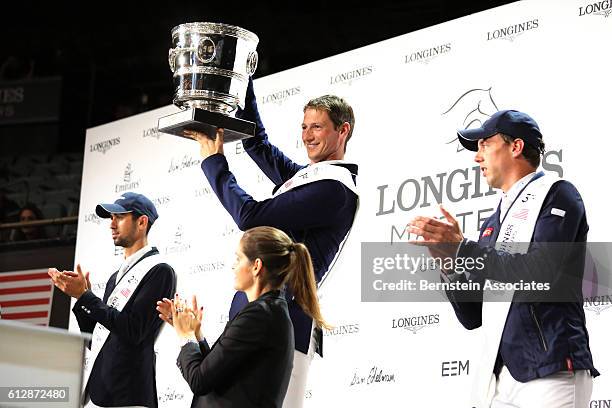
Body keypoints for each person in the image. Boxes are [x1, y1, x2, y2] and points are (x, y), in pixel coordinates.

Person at [185, 78, 358, 406]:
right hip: (258, 316)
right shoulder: (312, 179)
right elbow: (256, 144)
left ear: (343, 131)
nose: (307, 135)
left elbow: (250, 217)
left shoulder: (334, 190)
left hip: (285, 326)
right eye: (304, 126)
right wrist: (241, 80)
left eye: (317, 127)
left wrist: (213, 161)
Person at [408, 110, 598, 408]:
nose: (476, 157)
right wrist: (450, 264)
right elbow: (473, 317)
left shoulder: (558, 194)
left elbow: (540, 272)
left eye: (484, 144)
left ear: (516, 146)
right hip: (498, 378)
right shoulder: (492, 223)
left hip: (552, 370)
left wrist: (462, 248)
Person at [156, 226, 327, 407]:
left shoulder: (260, 315)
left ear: (256, 266)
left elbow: (200, 380)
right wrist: (196, 334)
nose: (233, 266)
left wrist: (185, 336)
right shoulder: (266, 311)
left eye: (238, 259)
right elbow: (219, 371)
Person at [48, 192, 176, 408]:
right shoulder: (114, 279)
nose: (112, 224)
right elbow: (97, 340)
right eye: (110, 218)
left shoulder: (160, 271)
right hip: (103, 395)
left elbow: (134, 331)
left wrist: (85, 297)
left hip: (130, 395)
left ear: (142, 222)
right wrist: (81, 302)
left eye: (119, 217)